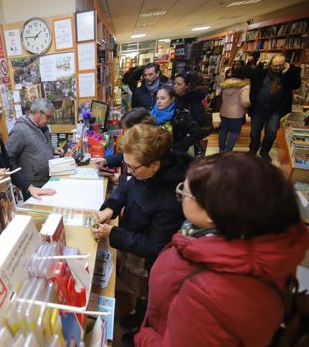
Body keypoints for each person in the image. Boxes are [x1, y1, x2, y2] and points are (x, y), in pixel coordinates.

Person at [135, 152, 309, 346]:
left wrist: (145, 336)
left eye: (184, 192)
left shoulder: (207, 297)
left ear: (213, 213)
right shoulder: (270, 244)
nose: (181, 194)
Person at [92, 124, 191, 342]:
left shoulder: (171, 197)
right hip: (133, 236)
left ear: (155, 164)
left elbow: (155, 247)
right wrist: (110, 208)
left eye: (133, 168)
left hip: (150, 261)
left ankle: (141, 328)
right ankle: (138, 314)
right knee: (140, 295)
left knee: (148, 295)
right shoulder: (141, 172)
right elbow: (126, 188)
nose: (130, 172)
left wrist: (112, 232)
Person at [6, 99, 64, 197]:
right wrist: (24, 184)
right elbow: (8, 159)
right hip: (33, 186)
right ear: (38, 113)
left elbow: (39, 145)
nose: (48, 120)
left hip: (47, 179)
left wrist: (52, 149)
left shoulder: (43, 127)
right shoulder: (20, 130)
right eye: (48, 117)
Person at [248, 54, 301, 161]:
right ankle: (253, 149)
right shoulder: (262, 72)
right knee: (254, 131)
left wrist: (287, 72)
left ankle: (264, 151)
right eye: (275, 65)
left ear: (285, 64)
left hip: (276, 110)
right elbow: (251, 78)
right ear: (270, 64)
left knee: (271, 132)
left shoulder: (288, 74)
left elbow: (296, 85)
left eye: (280, 66)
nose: (277, 68)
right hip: (259, 108)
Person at [91, 108, 156, 185]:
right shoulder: (135, 144)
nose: (123, 134)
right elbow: (122, 157)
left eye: (126, 131)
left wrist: (121, 179)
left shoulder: (149, 151)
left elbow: (144, 184)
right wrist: (105, 160)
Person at [152, 85, 203, 153]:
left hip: (174, 157)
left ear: (172, 99)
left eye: (163, 98)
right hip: (155, 155)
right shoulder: (151, 114)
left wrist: (179, 146)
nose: (159, 101)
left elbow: (197, 133)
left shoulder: (181, 115)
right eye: (157, 98)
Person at [174, 73, 210, 155]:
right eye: (174, 83)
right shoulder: (173, 97)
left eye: (179, 84)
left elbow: (198, 121)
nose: (175, 86)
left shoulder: (193, 100)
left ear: (187, 86)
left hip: (186, 140)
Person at [218, 65, 250, 152]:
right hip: (237, 113)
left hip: (224, 111)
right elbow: (245, 102)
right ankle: (228, 151)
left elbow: (220, 95)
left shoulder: (225, 83)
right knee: (235, 132)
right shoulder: (245, 86)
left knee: (223, 130)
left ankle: (221, 150)